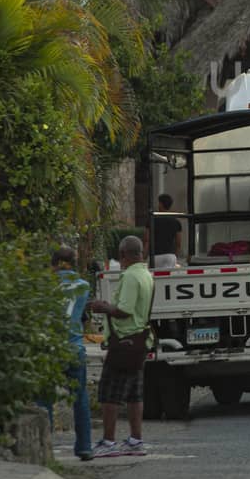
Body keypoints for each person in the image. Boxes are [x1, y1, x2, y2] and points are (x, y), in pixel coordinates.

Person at [87, 235, 155, 458]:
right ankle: (136, 440)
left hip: (124, 341)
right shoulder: (146, 275)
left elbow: (124, 310)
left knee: (109, 393)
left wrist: (103, 307)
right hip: (139, 341)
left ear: (124, 255)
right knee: (135, 394)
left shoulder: (130, 277)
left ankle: (108, 442)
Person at [44, 247, 93, 462]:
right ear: (73, 263)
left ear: (54, 263)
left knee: (44, 398)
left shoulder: (45, 286)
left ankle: (44, 445)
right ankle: (84, 447)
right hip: (74, 349)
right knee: (80, 397)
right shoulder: (83, 286)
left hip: (50, 348)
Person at [151, 194, 182, 268]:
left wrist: (144, 257)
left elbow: (147, 240)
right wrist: (175, 257)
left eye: (159, 203)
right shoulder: (176, 222)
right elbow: (178, 243)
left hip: (155, 256)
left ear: (161, 204)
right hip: (170, 256)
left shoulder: (152, 220)